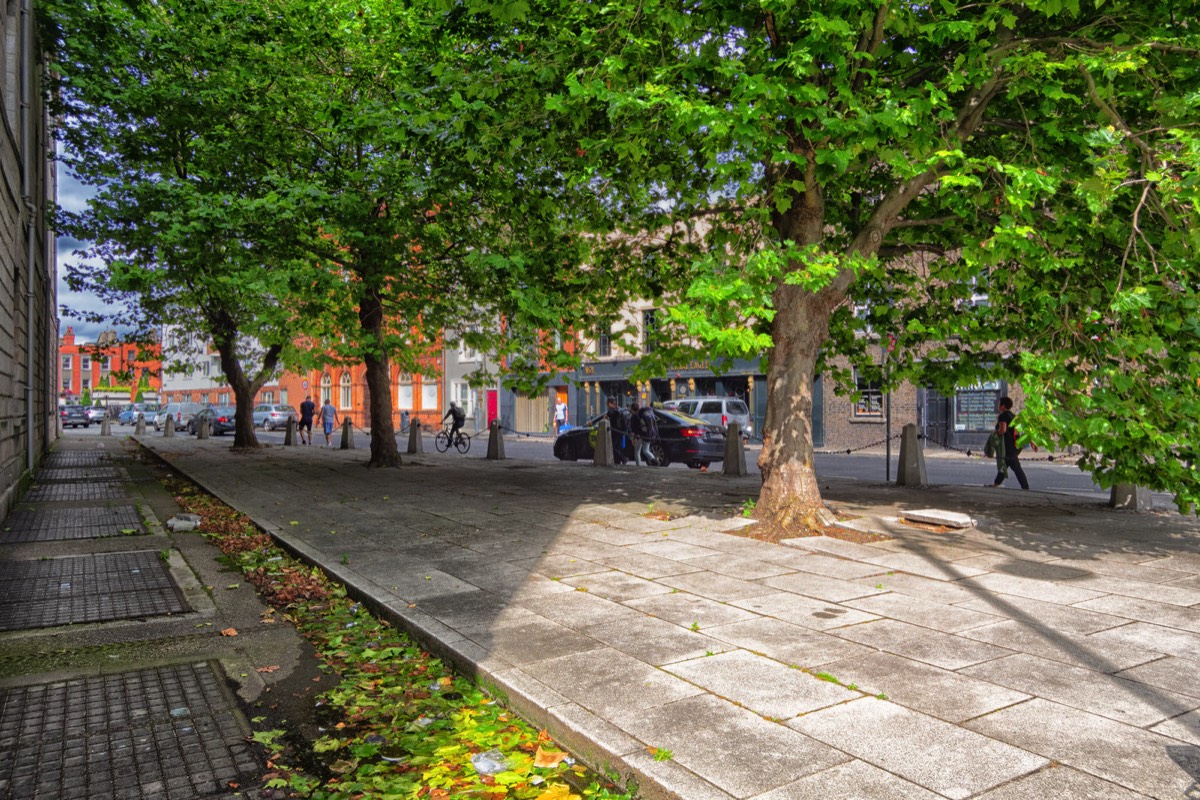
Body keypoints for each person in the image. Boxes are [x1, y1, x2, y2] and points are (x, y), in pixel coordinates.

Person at [991, 396, 1035, 489]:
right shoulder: (1013, 416)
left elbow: (1003, 430)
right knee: (1005, 464)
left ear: (1003, 406)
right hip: (1014, 445)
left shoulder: (1003, 416)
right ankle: (996, 483)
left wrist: (996, 433)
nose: (998, 406)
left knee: (1015, 467)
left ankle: (1025, 487)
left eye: (999, 404)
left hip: (1007, 446)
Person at [605, 398, 629, 464]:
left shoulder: (612, 411)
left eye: (607, 404)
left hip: (616, 431)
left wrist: (606, 416)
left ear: (610, 403)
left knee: (613, 447)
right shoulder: (619, 409)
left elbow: (606, 417)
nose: (607, 405)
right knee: (617, 447)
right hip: (621, 431)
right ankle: (617, 461)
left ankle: (623, 458)